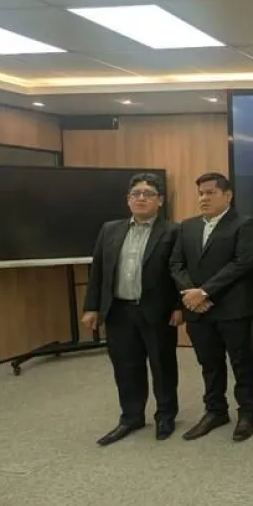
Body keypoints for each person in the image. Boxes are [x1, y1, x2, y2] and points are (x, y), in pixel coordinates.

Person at [81, 173, 182, 446]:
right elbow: (99, 271)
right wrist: (92, 307)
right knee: (125, 366)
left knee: (162, 365)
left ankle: (165, 415)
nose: (140, 198)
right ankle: (131, 417)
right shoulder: (110, 230)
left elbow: (178, 273)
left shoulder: (173, 231)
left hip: (157, 311)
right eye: (135, 194)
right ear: (128, 200)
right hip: (118, 311)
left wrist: (178, 306)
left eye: (147, 194)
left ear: (160, 200)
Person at [170, 172, 253, 443]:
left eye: (210, 193)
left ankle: (247, 412)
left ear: (228, 195)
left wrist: (205, 291)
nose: (204, 198)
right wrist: (191, 294)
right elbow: (176, 264)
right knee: (209, 364)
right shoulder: (187, 226)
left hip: (232, 307)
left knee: (241, 363)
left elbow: (242, 263)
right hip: (197, 310)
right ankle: (215, 411)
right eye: (201, 193)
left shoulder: (244, 224)